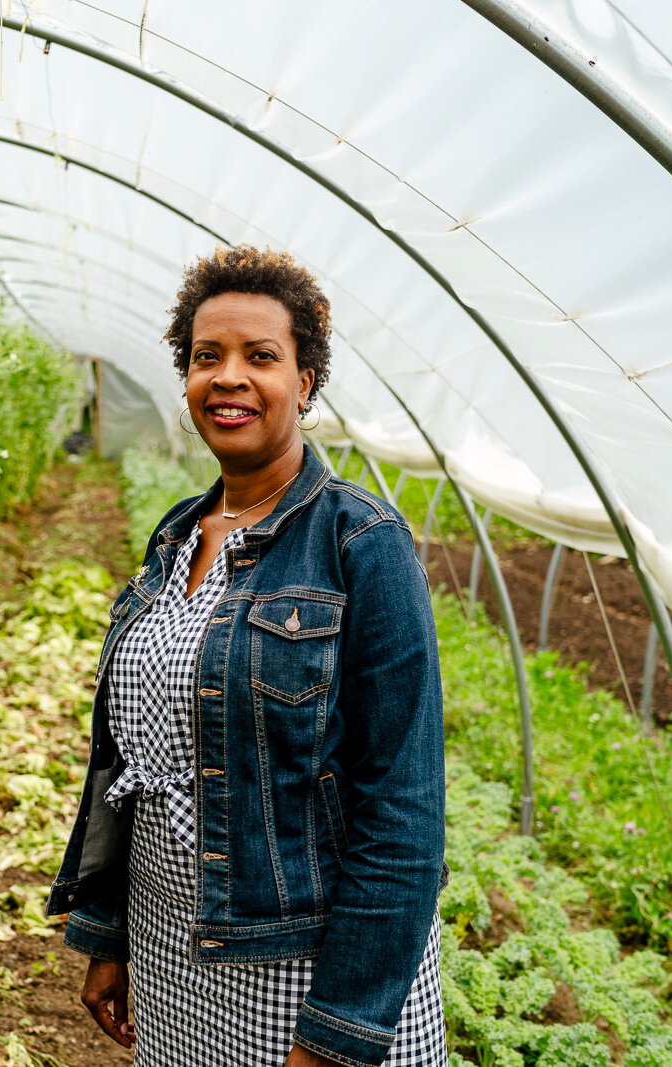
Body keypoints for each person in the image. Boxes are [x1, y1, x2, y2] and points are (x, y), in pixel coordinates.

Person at [46, 246, 448, 1067]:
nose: (228, 377)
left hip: (300, 970)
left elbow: (402, 816)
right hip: (170, 950)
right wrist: (109, 931)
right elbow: (130, 763)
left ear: (304, 382)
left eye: (260, 356)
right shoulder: (176, 535)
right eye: (206, 357)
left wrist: (336, 1034)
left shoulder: (360, 543)